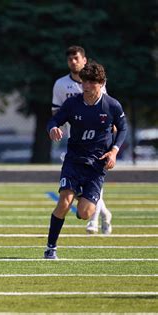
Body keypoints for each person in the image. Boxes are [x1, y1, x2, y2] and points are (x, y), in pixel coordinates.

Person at [45, 62, 127, 259]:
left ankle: (83, 196)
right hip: (74, 160)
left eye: (92, 83)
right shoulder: (73, 103)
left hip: (97, 165)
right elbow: (54, 120)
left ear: (102, 83)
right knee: (64, 202)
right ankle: (50, 248)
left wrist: (114, 151)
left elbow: (123, 128)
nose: (87, 87)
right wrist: (53, 128)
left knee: (85, 214)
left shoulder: (112, 105)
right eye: (84, 82)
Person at [52, 45, 112, 234]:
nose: (73, 62)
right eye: (70, 59)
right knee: (74, 192)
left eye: (77, 58)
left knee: (93, 179)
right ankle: (103, 214)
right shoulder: (61, 84)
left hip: (96, 144)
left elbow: (107, 109)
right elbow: (56, 112)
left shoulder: (95, 81)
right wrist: (56, 125)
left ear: (85, 60)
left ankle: (93, 221)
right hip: (75, 142)